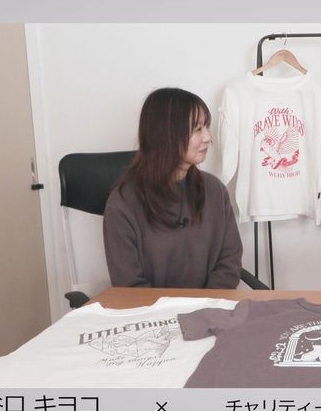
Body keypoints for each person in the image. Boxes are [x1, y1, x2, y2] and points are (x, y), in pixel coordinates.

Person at [103, 88, 243, 288]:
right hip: (148, 309)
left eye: (206, 127)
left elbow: (229, 261)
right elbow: (129, 283)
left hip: (211, 306)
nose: (207, 137)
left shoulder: (215, 191)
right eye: (197, 129)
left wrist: (207, 303)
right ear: (166, 135)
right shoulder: (123, 203)